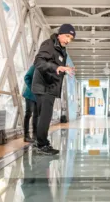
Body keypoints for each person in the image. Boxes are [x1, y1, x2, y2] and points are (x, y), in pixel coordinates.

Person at [32, 24, 76, 155]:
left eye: (71, 38)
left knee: (43, 116)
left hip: (50, 87)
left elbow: (56, 66)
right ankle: (42, 145)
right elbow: (38, 62)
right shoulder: (49, 44)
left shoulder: (62, 50)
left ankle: (39, 142)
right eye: (67, 36)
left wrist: (64, 68)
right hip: (44, 86)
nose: (68, 40)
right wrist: (56, 68)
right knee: (45, 116)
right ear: (60, 33)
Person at [22, 65, 38, 142]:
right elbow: (26, 77)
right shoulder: (34, 67)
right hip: (30, 95)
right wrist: (33, 88)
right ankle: (26, 135)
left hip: (37, 96)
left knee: (36, 115)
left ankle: (35, 135)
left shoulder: (44, 68)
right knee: (28, 114)